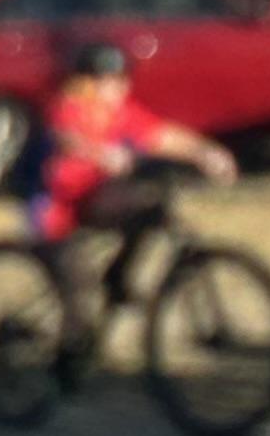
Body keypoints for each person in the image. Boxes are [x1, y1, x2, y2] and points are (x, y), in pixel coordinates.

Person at [28, 40, 234, 333]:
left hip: (97, 199)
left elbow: (160, 135)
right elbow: (67, 138)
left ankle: (117, 276)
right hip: (58, 211)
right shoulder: (69, 107)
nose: (120, 87)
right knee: (78, 309)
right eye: (108, 80)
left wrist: (204, 153)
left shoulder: (120, 112)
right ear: (85, 82)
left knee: (149, 209)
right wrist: (99, 154)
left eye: (121, 79)